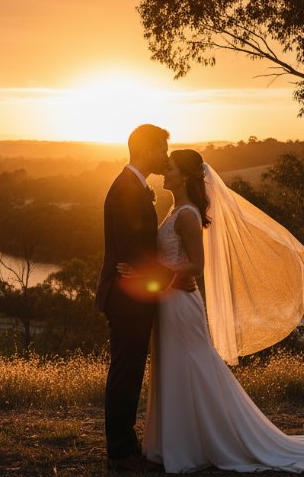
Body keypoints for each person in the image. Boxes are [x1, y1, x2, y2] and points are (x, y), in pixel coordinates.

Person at [123, 149, 304, 474]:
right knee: (174, 368)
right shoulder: (175, 210)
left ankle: (202, 443)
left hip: (180, 304)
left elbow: (197, 265)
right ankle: (173, 443)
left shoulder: (188, 215)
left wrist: (156, 274)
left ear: (186, 176)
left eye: (171, 168)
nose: (165, 171)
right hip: (168, 301)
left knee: (193, 367)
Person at [95, 125, 197, 472]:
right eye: (162, 150)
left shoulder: (134, 186)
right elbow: (135, 252)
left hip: (133, 294)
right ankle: (121, 455)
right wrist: (170, 276)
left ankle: (126, 447)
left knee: (129, 371)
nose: (165, 157)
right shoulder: (126, 188)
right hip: (126, 297)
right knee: (126, 372)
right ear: (148, 150)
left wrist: (163, 276)